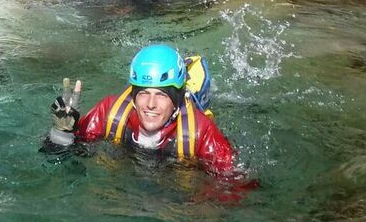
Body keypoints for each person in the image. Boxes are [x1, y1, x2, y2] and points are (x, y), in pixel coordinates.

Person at [45, 44, 236, 175]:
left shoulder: (200, 131)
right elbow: (62, 161)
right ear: (133, 96)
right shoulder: (110, 112)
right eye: (144, 93)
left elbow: (234, 187)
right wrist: (61, 134)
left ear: (177, 99)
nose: (151, 104)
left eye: (161, 95)